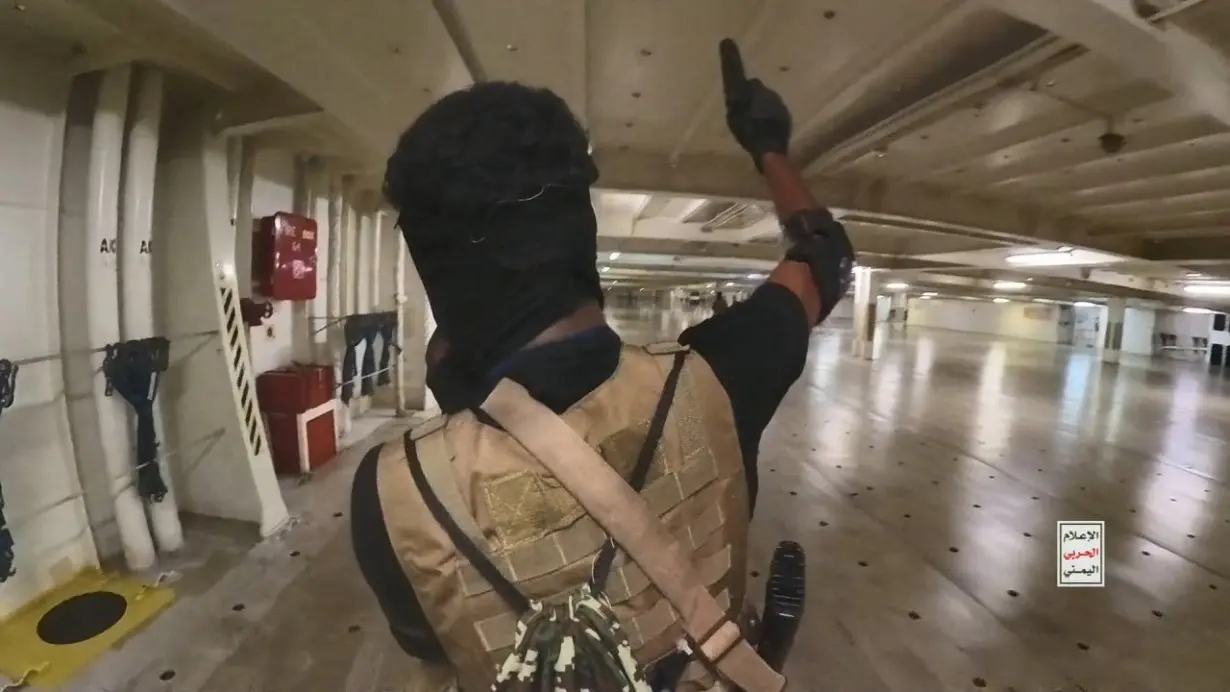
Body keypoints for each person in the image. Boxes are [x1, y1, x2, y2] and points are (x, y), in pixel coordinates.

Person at [350, 38, 853, 692]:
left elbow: (442, 658)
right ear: (579, 232)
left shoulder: (392, 493)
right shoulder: (722, 376)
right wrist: (768, 146)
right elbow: (824, 257)